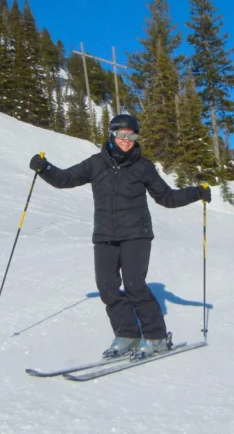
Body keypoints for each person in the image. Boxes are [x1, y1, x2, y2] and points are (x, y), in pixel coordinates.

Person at [29, 113, 211, 359]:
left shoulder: (143, 166)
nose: (127, 140)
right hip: (104, 234)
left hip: (136, 234)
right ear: (112, 134)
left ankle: (156, 337)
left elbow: (166, 197)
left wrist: (196, 193)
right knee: (107, 288)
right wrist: (45, 168)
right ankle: (128, 334)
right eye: (122, 135)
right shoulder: (95, 163)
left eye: (132, 136)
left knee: (135, 286)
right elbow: (66, 179)